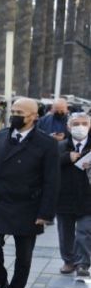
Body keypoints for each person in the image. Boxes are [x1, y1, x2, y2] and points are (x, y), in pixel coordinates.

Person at [0, 98, 59, 288]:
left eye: (20, 112)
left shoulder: (47, 144)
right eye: (13, 110)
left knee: (23, 255)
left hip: (28, 206)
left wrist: (46, 213)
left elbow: (52, 181)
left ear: (34, 116)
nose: (15, 114)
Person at [56, 112, 91, 276]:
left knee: (84, 231)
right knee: (65, 232)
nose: (80, 127)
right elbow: (48, 167)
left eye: (84, 123)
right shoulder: (60, 146)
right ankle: (69, 261)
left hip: (87, 197)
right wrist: (66, 158)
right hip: (64, 196)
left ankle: (83, 263)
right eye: (76, 124)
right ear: (69, 127)